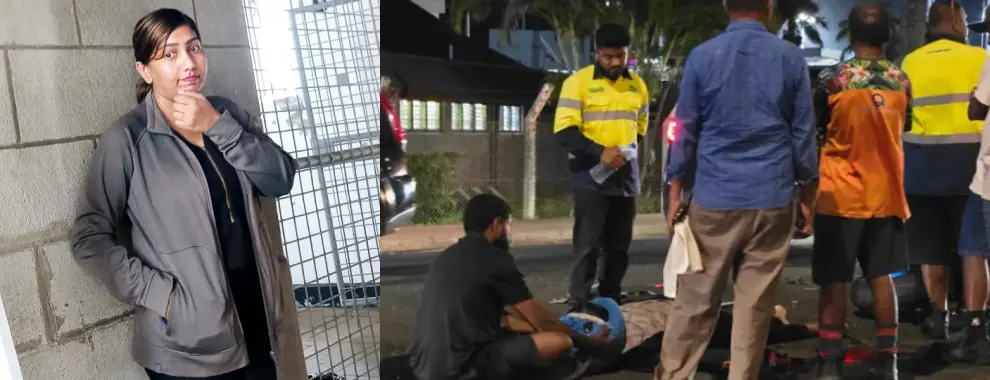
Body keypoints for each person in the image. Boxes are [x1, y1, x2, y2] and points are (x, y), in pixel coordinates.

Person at [69, 8, 299, 380]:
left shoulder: (226, 113)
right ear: (144, 70)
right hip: (184, 344)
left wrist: (217, 126)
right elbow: (88, 237)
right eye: (170, 53)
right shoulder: (128, 138)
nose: (189, 62)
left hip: (254, 317)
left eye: (194, 47)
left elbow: (280, 179)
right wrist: (162, 296)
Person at [658, 0, 818, 378]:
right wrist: (808, 197)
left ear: (727, 6)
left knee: (695, 301)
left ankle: (675, 374)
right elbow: (803, 136)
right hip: (771, 197)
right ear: (769, 5)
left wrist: (675, 194)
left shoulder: (702, 56)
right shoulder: (791, 59)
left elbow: (685, 131)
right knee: (754, 307)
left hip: (714, 197)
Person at [407, 194, 614, 380]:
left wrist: (548, 324)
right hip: (460, 369)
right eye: (509, 224)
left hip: (424, 366)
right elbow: (538, 319)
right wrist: (587, 341)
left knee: (531, 334)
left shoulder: (447, 256)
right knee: (559, 342)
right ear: (497, 224)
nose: (509, 231)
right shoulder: (494, 259)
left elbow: (504, 320)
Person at [810, 4, 911, 379]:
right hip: (886, 195)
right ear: (888, 36)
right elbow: (906, 126)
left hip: (840, 195)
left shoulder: (833, 80)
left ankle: (830, 362)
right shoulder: (901, 81)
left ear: (850, 36)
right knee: (881, 277)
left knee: (834, 280)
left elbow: (815, 128)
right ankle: (889, 360)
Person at [901, 0, 988, 341]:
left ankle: (940, 316)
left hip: (920, 167)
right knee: (974, 251)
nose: (967, 25)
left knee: (930, 250)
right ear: (953, 19)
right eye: (965, 18)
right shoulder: (981, 58)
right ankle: (974, 321)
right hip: (968, 168)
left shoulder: (910, 61)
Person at [552, 23, 650, 306]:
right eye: (609, 56)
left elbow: (641, 125)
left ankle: (610, 300)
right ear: (597, 53)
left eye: (621, 56)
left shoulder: (637, 85)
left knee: (619, 247)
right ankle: (579, 303)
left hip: (625, 176)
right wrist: (600, 152)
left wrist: (625, 151)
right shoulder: (578, 83)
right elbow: (564, 132)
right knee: (588, 245)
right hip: (589, 177)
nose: (616, 62)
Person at [949, 4, 990, 364]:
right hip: (983, 177)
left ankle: (978, 332)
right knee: (971, 246)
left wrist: (975, 94)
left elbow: (976, 109)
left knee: (974, 249)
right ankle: (976, 327)